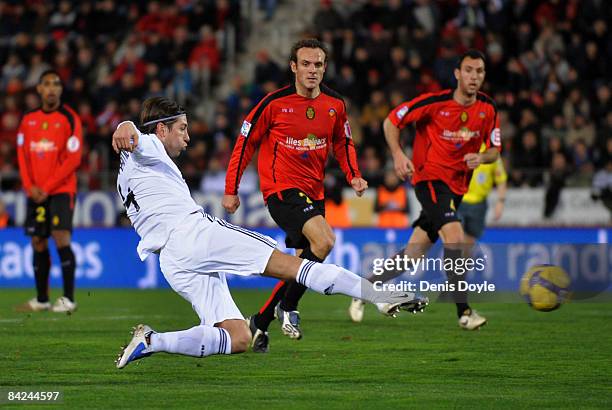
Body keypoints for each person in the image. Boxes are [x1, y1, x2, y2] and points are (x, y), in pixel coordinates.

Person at [111, 97, 426, 369]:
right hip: (193, 235)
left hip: (172, 260)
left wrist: (128, 130)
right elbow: (134, 135)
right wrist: (126, 125)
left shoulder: (125, 174)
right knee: (297, 268)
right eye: (182, 128)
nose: (188, 137)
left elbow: (133, 143)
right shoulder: (150, 144)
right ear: (162, 129)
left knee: (238, 337)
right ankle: (379, 295)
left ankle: (152, 341)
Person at [223, 39, 368, 352]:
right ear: (293, 67)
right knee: (325, 241)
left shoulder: (335, 104)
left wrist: (353, 174)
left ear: (324, 67)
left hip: (314, 192)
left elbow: (343, 143)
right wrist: (230, 189)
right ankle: (287, 307)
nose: (312, 70)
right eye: (306, 64)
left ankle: (260, 321)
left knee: (302, 264)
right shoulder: (273, 104)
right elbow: (245, 143)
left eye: (318, 64)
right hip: (281, 189)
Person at [349, 50, 501, 330]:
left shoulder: (488, 109)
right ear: (457, 73)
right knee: (455, 235)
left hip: (457, 187)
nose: (474, 76)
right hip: (429, 179)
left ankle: (363, 289)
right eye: (468, 70)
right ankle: (464, 312)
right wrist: (398, 154)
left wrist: (482, 158)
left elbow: (494, 150)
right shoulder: (435, 103)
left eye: (479, 71)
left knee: (413, 254)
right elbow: (391, 121)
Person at [15, 69, 83, 314]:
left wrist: (46, 187)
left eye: (56, 84)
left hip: (61, 190)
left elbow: (73, 160)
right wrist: (29, 186)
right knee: (37, 241)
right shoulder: (28, 120)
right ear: (39, 89)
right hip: (35, 191)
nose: (52, 88)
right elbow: (22, 157)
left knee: (60, 236)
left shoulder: (70, 118)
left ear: (61, 90)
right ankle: (42, 299)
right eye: (47, 84)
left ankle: (68, 298)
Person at [459, 143, 507, 248]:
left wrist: (501, 202)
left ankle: (464, 264)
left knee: (470, 240)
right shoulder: (460, 144)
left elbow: (501, 180)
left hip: (479, 204)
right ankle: (453, 263)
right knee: (456, 236)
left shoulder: (491, 153)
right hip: (458, 201)